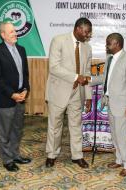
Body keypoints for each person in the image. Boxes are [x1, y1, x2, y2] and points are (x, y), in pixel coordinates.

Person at [88, 33, 126, 176]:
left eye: (108, 43)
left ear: (117, 44)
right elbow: (104, 79)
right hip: (110, 102)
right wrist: (87, 79)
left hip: (123, 106)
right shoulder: (110, 58)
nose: (106, 46)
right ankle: (119, 160)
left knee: (121, 136)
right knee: (115, 135)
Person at [45, 17, 92, 168]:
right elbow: (54, 67)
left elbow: (87, 73)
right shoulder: (58, 40)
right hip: (58, 91)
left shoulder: (87, 48)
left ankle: (77, 156)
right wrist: (75, 77)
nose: (87, 36)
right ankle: (51, 154)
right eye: (86, 32)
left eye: (89, 33)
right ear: (78, 29)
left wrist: (89, 96)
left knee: (76, 125)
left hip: (77, 93)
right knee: (55, 125)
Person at [0, 22, 31, 172]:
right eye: (11, 31)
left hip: (21, 96)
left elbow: (25, 73)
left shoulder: (21, 49)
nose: (15, 34)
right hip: (6, 99)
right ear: (3, 35)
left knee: (17, 129)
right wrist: (12, 94)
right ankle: (7, 159)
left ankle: (15, 154)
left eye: (15, 31)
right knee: (5, 131)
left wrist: (25, 89)